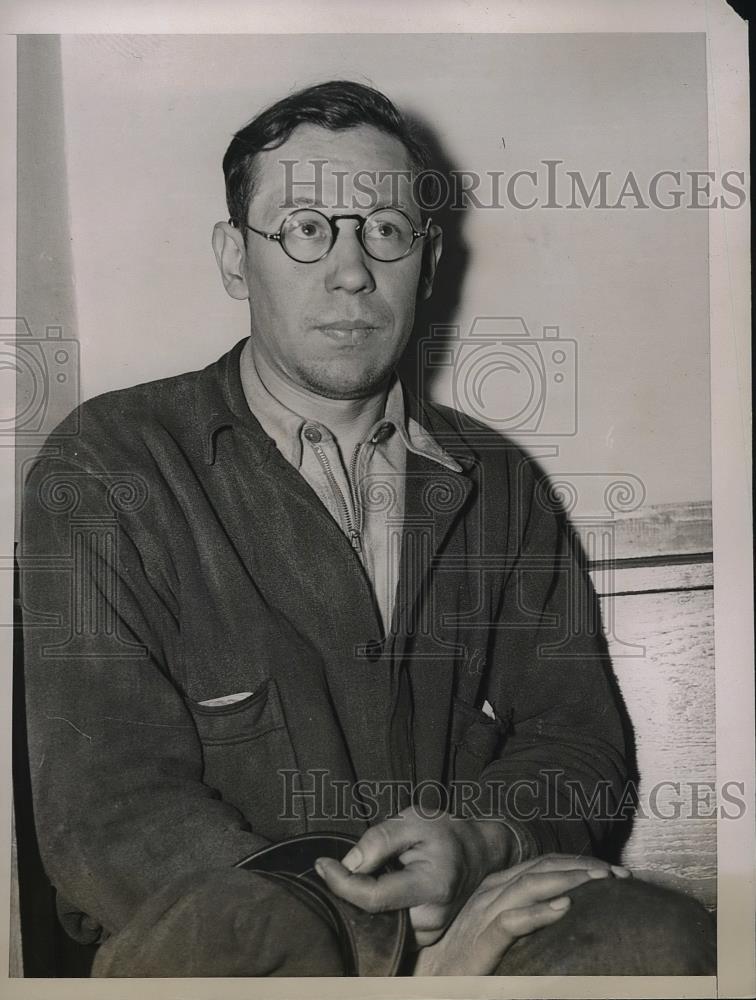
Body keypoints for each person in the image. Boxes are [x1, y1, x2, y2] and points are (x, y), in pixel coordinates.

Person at [19, 80, 715, 977]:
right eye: (306, 226)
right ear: (235, 258)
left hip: (470, 918)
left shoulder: (500, 483)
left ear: (425, 261)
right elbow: (103, 807)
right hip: (227, 936)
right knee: (252, 938)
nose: (351, 269)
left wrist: (482, 841)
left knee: (657, 942)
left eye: (384, 229)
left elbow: (578, 745)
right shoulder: (108, 464)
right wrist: (390, 951)